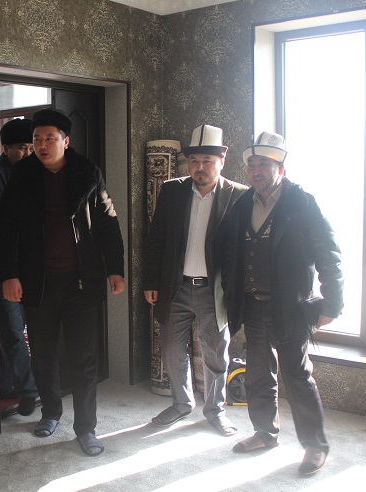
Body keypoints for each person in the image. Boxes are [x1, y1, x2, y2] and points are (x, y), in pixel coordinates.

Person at [0, 108, 125, 457]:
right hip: (37, 282)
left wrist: (116, 269)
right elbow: (5, 229)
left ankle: (86, 428)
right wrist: (9, 275)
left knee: (84, 358)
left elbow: (108, 222)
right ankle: (51, 411)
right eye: (37, 139)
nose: (42, 144)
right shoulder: (22, 176)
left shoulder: (87, 173)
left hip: (80, 282)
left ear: (66, 141)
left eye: (49, 138)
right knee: (43, 354)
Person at [222, 131, 343, 475]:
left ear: (281, 168)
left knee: (297, 376)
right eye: (252, 164)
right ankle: (265, 433)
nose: (256, 170)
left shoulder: (301, 202)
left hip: (289, 306)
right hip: (253, 305)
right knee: (259, 373)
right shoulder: (243, 203)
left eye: (264, 164)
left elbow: (327, 252)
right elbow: (231, 251)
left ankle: (315, 446)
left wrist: (332, 302)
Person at [143, 124, 248, 436]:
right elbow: (156, 239)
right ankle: (181, 403)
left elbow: (242, 250)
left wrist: (238, 292)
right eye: (194, 161)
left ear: (222, 161)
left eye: (207, 161)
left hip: (213, 291)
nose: (199, 167)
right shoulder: (172, 191)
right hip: (175, 287)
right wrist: (151, 281)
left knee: (216, 354)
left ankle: (215, 410)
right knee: (172, 350)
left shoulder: (239, 196)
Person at [0, 118, 38, 416]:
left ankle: (13, 386)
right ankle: (27, 392)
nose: (28, 152)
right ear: (5, 147)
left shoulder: (35, 172)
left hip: (32, 266)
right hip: (7, 268)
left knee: (28, 330)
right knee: (12, 331)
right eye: (22, 147)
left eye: (31, 147)